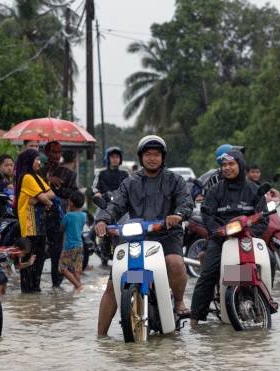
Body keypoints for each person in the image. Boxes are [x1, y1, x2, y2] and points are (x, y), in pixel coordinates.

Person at [94, 135, 193, 338]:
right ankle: (100, 338)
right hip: (137, 236)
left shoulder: (175, 180)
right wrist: (102, 220)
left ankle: (179, 301)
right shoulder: (129, 183)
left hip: (167, 234)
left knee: (174, 262)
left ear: (163, 157)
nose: (152, 158)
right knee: (113, 283)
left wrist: (178, 215)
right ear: (141, 157)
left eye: (156, 154)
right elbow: (115, 205)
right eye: (148, 154)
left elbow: (186, 203)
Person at [189, 148, 269, 325]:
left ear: (240, 165)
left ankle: (265, 306)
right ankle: (195, 318)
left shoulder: (254, 190)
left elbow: (263, 219)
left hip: (248, 239)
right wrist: (219, 232)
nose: (227, 168)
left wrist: (251, 233)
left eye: (231, 164)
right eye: (224, 165)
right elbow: (207, 216)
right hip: (220, 239)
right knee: (208, 273)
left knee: (270, 261)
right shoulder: (215, 191)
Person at [14, 149, 55, 293]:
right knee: (29, 262)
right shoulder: (27, 178)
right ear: (29, 161)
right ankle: (28, 294)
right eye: (36, 159)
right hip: (30, 226)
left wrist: (38, 198)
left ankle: (34, 294)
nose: (39, 162)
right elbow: (46, 198)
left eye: (39, 159)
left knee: (38, 260)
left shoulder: (36, 177)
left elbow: (52, 194)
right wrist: (44, 200)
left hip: (40, 225)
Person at [41, 140, 77, 288]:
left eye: (58, 152)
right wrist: (47, 180)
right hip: (40, 217)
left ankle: (56, 285)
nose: (56, 155)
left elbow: (73, 194)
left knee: (57, 252)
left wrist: (58, 188)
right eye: (53, 152)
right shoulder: (39, 172)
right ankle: (34, 286)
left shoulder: (68, 173)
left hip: (58, 217)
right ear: (46, 153)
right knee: (38, 252)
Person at [58, 192, 87, 291]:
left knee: (63, 268)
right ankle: (78, 288)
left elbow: (61, 227)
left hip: (69, 246)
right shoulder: (83, 215)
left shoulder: (68, 216)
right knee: (76, 270)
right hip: (80, 245)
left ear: (71, 203)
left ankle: (78, 285)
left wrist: (67, 212)